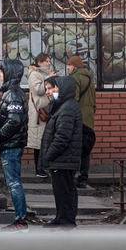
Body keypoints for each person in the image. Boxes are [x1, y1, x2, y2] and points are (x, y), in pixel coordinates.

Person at [0, 59, 29, 233]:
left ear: (9, 72)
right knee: (13, 183)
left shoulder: (13, 93)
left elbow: (14, 120)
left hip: (11, 146)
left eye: (1, 71)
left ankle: (21, 221)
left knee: (14, 183)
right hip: (10, 145)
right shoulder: (11, 92)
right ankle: (20, 220)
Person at [40, 76, 83, 231]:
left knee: (65, 191)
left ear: (63, 89)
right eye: (47, 89)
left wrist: (48, 154)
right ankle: (61, 218)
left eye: (53, 88)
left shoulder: (68, 108)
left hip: (64, 158)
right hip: (61, 158)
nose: (50, 92)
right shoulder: (62, 106)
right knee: (60, 191)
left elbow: (63, 137)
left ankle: (68, 222)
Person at [67, 55, 96, 189]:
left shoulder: (74, 78)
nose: (67, 68)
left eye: (69, 65)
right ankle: (83, 178)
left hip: (78, 118)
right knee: (85, 149)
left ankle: (71, 176)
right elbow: (93, 101)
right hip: (88, 118)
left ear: (74, 66)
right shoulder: (90, 78)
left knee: (74, 147)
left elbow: (74, 99)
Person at [27, 53, 54, 178]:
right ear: (39, 62)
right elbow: (38, 89)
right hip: (39, 113)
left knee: (46, 140)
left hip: (47, 111)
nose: (49, 63)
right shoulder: (34, 74)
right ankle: (39, 169)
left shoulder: (44, 74)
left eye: (49, 61)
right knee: (39, 142)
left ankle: (44, 167)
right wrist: (48, 79)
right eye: (46, 61)